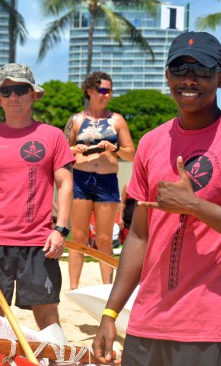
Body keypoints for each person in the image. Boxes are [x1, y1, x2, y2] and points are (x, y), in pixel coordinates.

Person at [92, 32, 221, 366]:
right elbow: (139, 236)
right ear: (167, 76)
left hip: (207, 329)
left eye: (202, 70)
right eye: (179, 68)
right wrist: (110, 312)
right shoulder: (151, 143)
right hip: (146, 324)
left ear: (220, 78)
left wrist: (195, 206)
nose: (189, 79)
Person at [0, 63, 74, 331]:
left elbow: (66, 184)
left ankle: (55, 362)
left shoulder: (53, 136)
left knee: (47, 314)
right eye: (7, 91)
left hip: (38, 242)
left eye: (20, 90)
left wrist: (61, 230)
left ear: (33, 94)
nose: (14, 97)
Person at [64, 71, 135, 289]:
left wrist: (114, 148)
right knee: (78, 237)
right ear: (90, 90)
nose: (106, 95)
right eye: (102, 90)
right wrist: (74, 148)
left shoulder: (117, 120)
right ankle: (74, 289)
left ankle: (106, 289)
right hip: (81, 180)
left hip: (107, 181)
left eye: (109, 91)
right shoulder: (76, 120)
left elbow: (131, 153)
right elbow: (60, 153)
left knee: (104, 239)